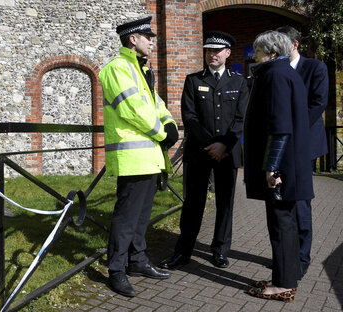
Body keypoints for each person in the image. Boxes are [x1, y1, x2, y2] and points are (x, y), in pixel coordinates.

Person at [99, 16, 178, 297]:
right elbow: (132, 109)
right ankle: (116, 270)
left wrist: (169, 123)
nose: (151, 42)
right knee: (126, 217)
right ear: (133, 39)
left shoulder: (142, 70)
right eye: (148, 37)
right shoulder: (117, 68)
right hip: (133, 157)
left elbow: (156, 104)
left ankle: (138, 261)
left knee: (141, 216)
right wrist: (162, 133)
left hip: (149, 156)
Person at [159, 31, 248, 271]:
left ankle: (220, 250)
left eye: (217, 51)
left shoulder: (239, 82)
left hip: (228, 154)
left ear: (228, 53)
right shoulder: (193, 80)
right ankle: (183, 251)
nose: (212, 55)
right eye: (209, 50)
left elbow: (241, 119)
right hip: (199, 153)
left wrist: (224, 144)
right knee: (193, 203)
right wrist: (211, 144)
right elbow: (189, 117)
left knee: (225, 204)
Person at [244, 30, 312, 302]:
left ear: (271, 52)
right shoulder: (284, 72)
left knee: (281, 223)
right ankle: (287, 276)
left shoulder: (274, 75)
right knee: (287, 222)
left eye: (258, 50)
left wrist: (272, 168)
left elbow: (280, 127)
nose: (254, 55)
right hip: (290, 163)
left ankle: (283, 285)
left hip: (282, 167)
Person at [276, 25, 329, 278]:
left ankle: (301, 258)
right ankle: (286, 255)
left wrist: (293, 130)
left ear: (294, 44)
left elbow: (318, 103)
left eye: (281, 44)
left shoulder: (315, 68)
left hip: (304, 144)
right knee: (282, 202)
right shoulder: (277, 69)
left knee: (300, 202)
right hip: (280, 146)